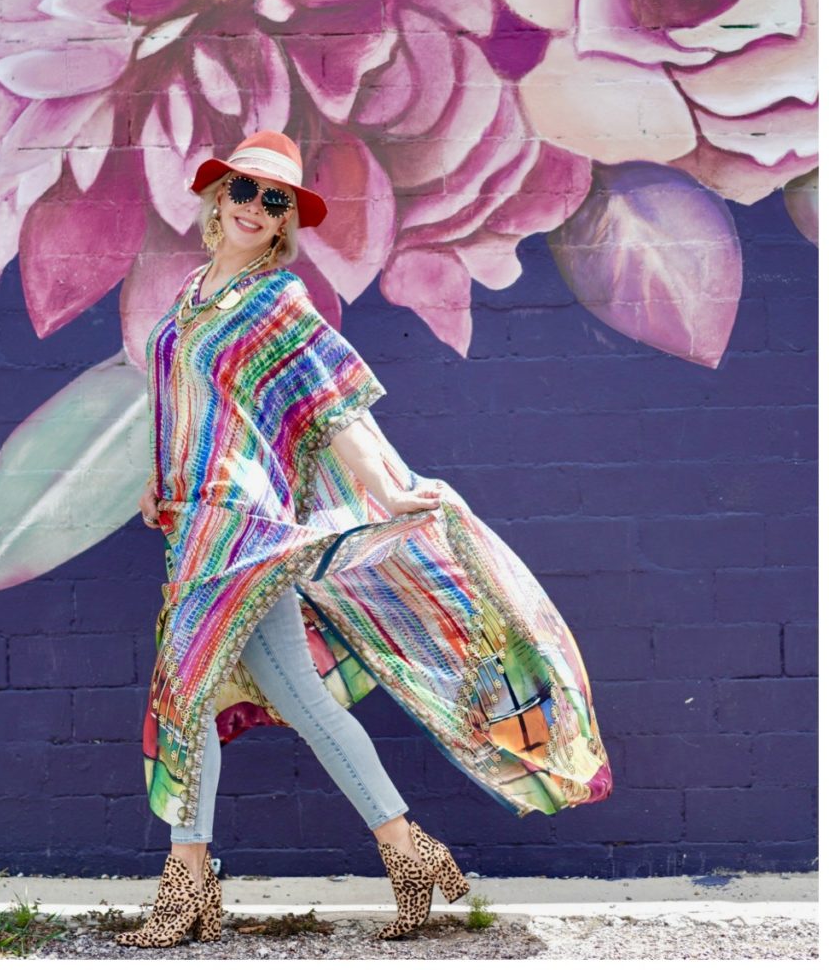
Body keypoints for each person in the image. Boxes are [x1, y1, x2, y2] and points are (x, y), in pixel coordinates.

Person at [117, 131, 612, 948]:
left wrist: (389, 490)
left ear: (286, 224)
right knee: (293, 698)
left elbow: (332, 408)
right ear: (218, 198)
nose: (254, 208)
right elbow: (184, 400)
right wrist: (158, 476)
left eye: (274, 200)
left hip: (245, 526)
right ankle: (409, 850)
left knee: (188, 689)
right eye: (243, 190)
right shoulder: (192, 290)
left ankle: (187, 886)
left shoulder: (278, 302)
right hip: (192, 518)